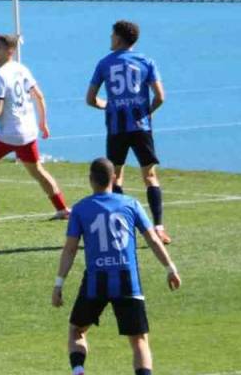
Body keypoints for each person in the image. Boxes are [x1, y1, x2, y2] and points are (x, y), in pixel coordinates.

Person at [53, 158, 182, 375]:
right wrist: (170, 268)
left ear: (90, 180)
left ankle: (78, 371)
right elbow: (152, 239)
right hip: (127, 280)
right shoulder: (131, 204)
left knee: (77, 330)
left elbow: (70, 249)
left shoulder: (81, 209)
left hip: (96, 282)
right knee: (139, 340)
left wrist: (59, 284)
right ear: (114, 178)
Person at [0, 34, 69, 225]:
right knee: (37, 170)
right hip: (28, 133)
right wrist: (43, 123)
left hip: (10, 135)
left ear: (10, 51)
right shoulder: (21, 68)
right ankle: (62, 209)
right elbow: (40, 96)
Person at [86, 20, 171, 244]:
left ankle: (125, 228)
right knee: (150, 176)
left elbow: (90, 99)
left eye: (112, 35)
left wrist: (109, 105)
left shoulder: (104, 63)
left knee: (116, 176)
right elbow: (160, 97)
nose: (110, 39)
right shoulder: (146, 62)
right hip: (141, 127)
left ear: (118, 38)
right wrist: (146, 112)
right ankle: (159, 228)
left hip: (117, 128)